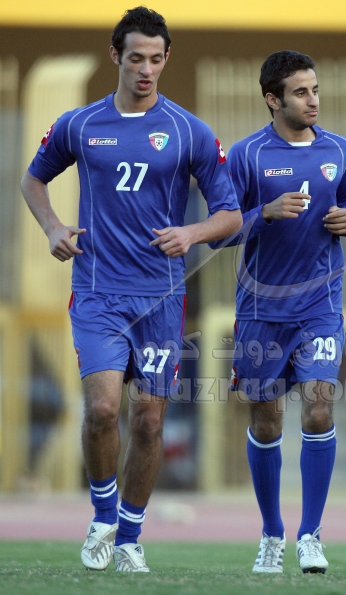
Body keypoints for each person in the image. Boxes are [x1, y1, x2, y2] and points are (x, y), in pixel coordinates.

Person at [21, 7, 241, 573]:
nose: (146, 69)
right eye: (136, 58)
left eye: (156, 59)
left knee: (148, 421)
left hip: (161, 299)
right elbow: (33, 178)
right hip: (97, 291)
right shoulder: (80, 124)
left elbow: (231, 214)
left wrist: (191, 233)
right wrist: (53, 227)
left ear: (166, 60)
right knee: (101, 409)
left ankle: (130, 539)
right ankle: (102, 517)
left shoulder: (189, 131)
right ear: (115, 56)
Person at [217, 50, 346, 574]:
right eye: (300, 92)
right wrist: (264, 213)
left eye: (315, 89)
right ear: (273, 100)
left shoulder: (339, 149)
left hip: (320, 306)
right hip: (261, 310)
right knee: (267, 419)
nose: (313, 100)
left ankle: (311, 535)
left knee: (319, 408)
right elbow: (219, 232)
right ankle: (271, 533)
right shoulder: (247, 155)